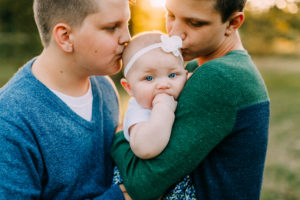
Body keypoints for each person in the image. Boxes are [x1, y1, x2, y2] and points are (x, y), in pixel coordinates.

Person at [111, 0, 270, 199]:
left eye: (194, 23)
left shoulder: (219, 77)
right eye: (170, 15)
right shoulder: (191, 70)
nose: (175, 33)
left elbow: (142, 184)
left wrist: (118, 136)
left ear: (233, 23)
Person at [0, 0, 131, 199]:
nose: (127, 38)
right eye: (112, 27)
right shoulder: (10, 120)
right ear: (66, 36)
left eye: (126, 24)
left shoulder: (104, 87)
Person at [113, 31, 197, 199]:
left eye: (173, 75)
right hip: (144, 187)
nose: (163, 85)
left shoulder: (183, 97)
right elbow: (145, 148)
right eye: (149, 78)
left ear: (186, 76)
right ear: (129, 87)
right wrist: (163, 108)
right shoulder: (139, 111)